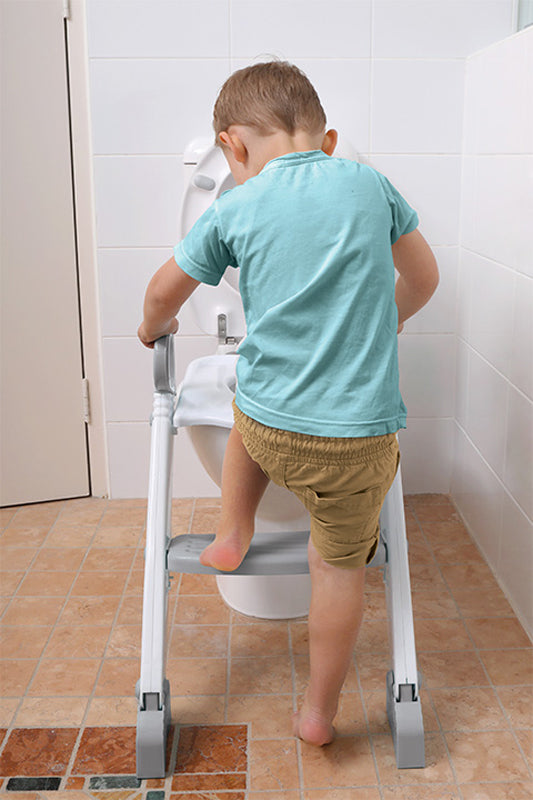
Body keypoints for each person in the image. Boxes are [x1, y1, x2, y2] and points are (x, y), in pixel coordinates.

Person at [138, 61, 439, 748]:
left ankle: (231, 531)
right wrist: (385, 321)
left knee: (245, 407)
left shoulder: (234, 204)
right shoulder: (369, 184)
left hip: (271, 427)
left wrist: (153, 326)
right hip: (358, 442)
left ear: (233, 147)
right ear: (327, 142)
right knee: (336, 571)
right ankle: (318, 714)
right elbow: (423, 277)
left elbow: (161, 293)